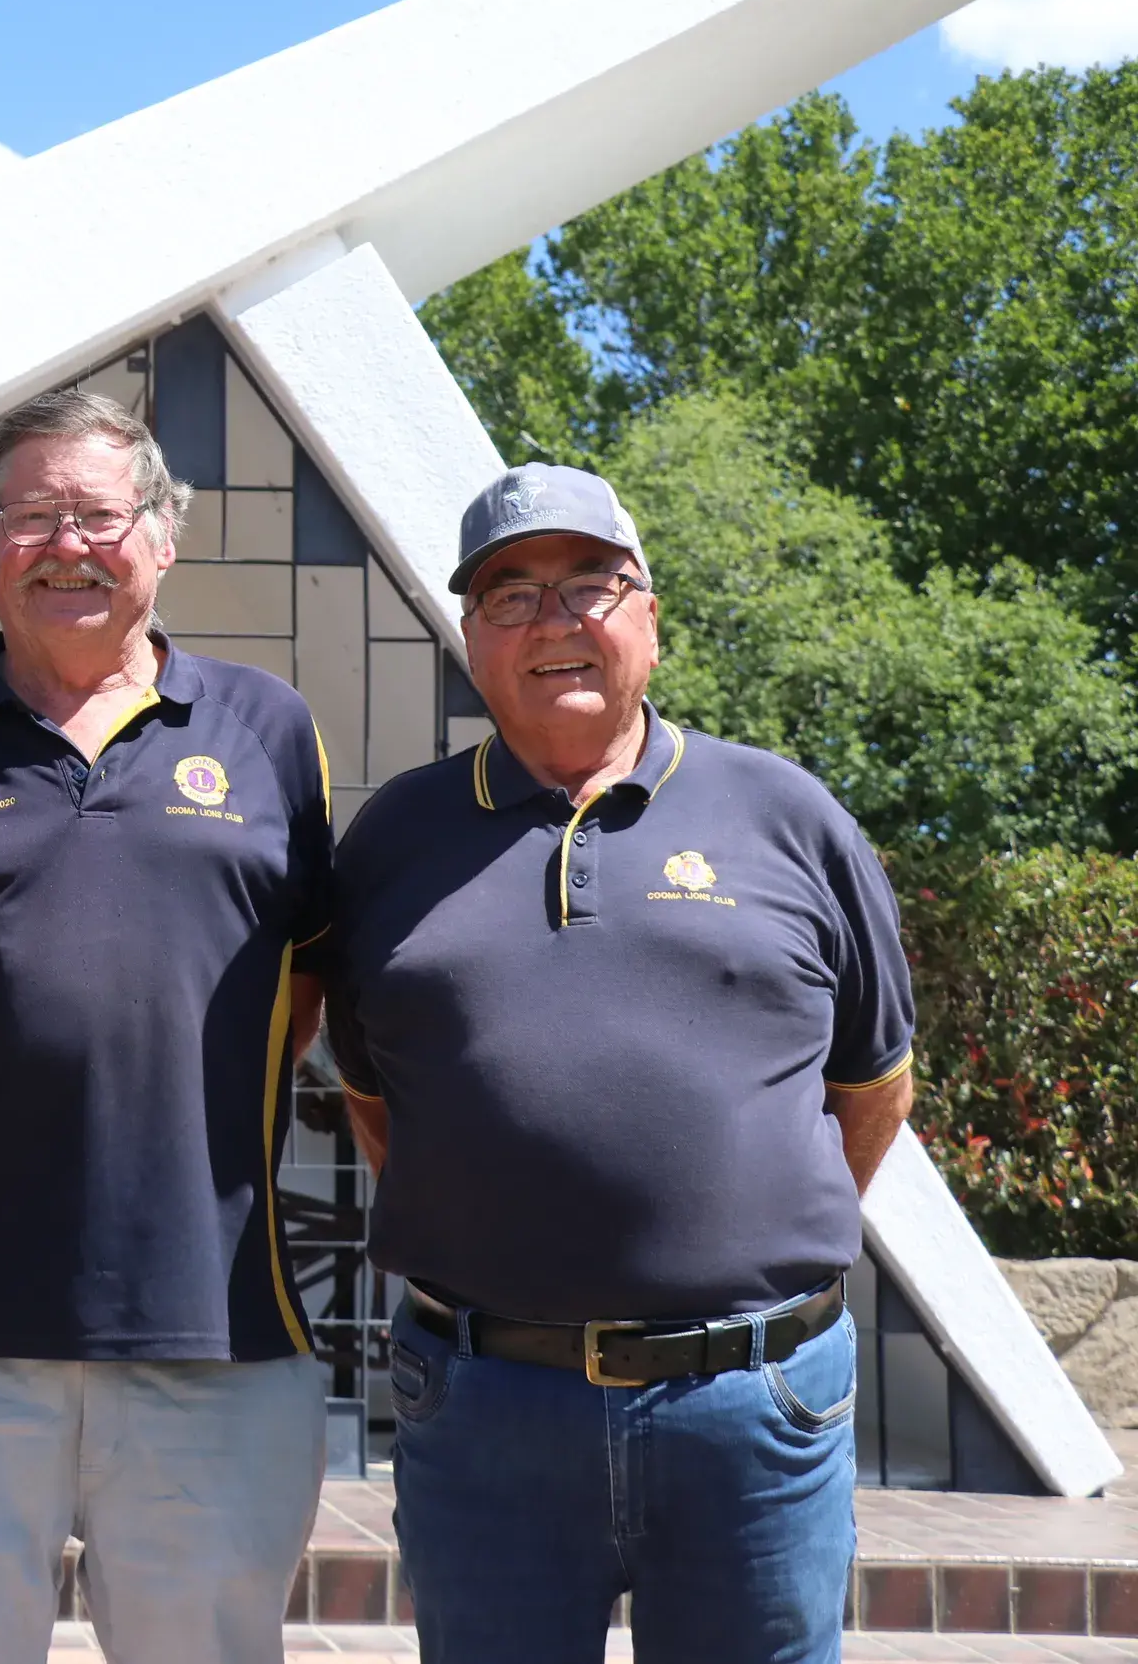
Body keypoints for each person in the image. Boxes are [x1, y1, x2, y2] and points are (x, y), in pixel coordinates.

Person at [316, 464, 915, 1663]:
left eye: (591, 583)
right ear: (472, 643)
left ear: (648, 613)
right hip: (485, 1403)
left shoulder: (787, 815)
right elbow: (380, 1098)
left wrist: (731, 1239)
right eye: (511, 595)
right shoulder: (392, 839)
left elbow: (872, 1085)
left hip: (755, 1401)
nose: (554, 620)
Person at [0, 389, 334, 1664]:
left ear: (163, 537)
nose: (67, 544)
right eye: (29, 515)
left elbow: (305, 984)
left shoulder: (269, 732)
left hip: (218, 1330)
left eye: (99, 514)